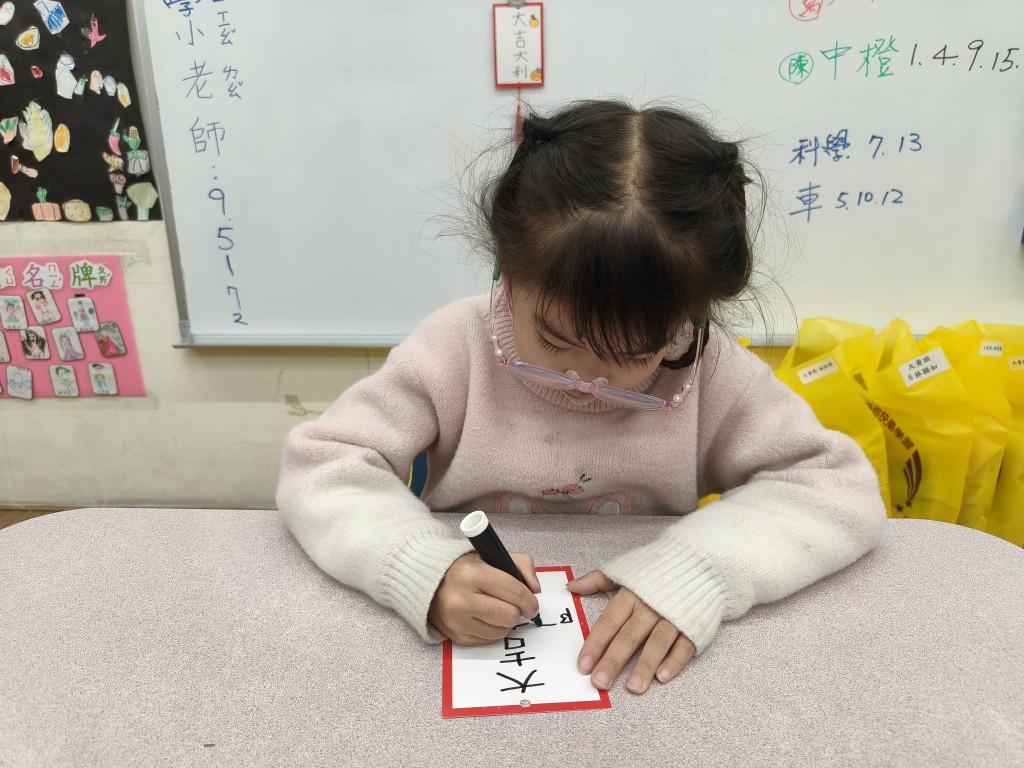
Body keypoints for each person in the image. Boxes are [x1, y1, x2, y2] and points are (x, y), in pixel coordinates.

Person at [276, 100, 886, 696]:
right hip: (475, 629)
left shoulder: (711, 366)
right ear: (507, 275)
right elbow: (324, 465)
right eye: (555, 339)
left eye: (632, 352)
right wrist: (424, 569)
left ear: (690, 316)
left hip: (638, 639)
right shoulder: (455, 345)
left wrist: (700, 569)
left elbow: (835, 488)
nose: (585, 377)